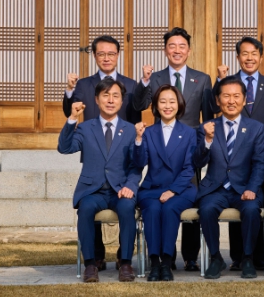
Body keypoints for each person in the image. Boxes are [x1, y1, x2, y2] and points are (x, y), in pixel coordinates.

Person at [133, 27, 213, 272]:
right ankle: (162, 257)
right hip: (160, 145)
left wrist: (206, 143)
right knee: (161, 206)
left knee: (188, 199)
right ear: (165, 50)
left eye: (182, 46)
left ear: (189, 50)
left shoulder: (202, 78)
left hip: (189, 146)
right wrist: (144, 81)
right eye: (172, 46)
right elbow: (139, 104)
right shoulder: (156, 77)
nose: (177, 50)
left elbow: (208, 116)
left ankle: (190, 256)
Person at [62, 35, 140, 270]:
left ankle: (125, 261)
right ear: (96, 100)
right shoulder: (84, 92)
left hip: (120, 176)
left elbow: (137, 162)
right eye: (101, 53)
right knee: (86, 208)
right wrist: (71, 115)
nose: (111, 100)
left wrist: (130, 184)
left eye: (111, 53)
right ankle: (91, 262)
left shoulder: (130, 92)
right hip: (94, 169)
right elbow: (65, 145)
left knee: (127, 207)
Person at [214, 36, 264, 270]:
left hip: (263, 155)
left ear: (261, 57)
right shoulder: (228, 84)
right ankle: (238, 257)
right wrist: (219, 80)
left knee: (256, 203)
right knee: (237, 202)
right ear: (237, 57)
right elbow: (213, 105)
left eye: (254, 53)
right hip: (234, 156)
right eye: (245, 53)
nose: (249, 58)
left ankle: (256, 255)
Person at [194, 76, 264, 280]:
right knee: (206, 209)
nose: (231, 101)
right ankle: (216, 257)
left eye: (236, 96)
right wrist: (207, 140)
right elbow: (198, 162)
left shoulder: (256, 128)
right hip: (215, 188)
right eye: (226, 96)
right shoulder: (207, 126)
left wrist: (252, 188)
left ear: (244, 100)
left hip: (244, 187)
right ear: (218, 101)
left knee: (251, 210)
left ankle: (247, 258)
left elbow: (260, 163)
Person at [133, 85, 197, 282]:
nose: (167, 106)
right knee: (152, 210)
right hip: (152, 188)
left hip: (181, 189)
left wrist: (172, 190)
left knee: (169, 208)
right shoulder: (148, 132)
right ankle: (155, 263)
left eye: (172, 101)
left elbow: (189, 168)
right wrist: (138, 139)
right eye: (163, 102)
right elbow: (139, 163)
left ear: (179, 104)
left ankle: (167, 262)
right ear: (155, 105)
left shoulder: (189, 133)